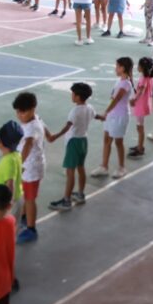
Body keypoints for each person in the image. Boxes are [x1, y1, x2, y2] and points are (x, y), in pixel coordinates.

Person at [45, 82, 102, 211]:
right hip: (83, 141)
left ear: (78, 96)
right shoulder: (89, 108)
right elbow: (96, 116)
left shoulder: (75, 111)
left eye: (73, 94)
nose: (71, 95)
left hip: (73, 142)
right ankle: (80, 194)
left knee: (70, 171)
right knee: (81, 167)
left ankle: (66, 201)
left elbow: (68, 126)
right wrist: (103, 117)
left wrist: (55, 136)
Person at [91, 57, 134, 179]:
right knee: (107, 140)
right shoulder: (119, 80)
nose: (115, 69)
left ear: (123, 68)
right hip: (112, 115)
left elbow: (116, 100)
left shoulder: (126, 83)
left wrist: (105, 112)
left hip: (120, 116)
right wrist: (108, 113)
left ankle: (122, 168)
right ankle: (104, 167)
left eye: (117, 66)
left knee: (118, 142)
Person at [12, 92, 46, 243]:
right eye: (18, 112)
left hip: (32, 168)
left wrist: (18, 164)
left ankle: (31, 229)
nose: (20, 115)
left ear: (33, 109)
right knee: (25, 195)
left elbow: (28, 144)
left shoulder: (33, 128)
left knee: (30, 199)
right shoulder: (34, 120)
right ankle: (25, 218)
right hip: (28, 167)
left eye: (23, 112)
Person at [0, 121, 24, 236]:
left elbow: (10, 184)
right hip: (18, 198)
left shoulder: (7, 161)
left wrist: (7, 204)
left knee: (5, 232)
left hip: (9, 202)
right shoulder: (17, 155)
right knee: (12, 230)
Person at [128, 57, 153, 159]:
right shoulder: (149, 77)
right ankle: (139, 145)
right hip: (144, 103)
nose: (137, 67)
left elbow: (141, 91)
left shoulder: (144, 78)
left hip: (141, 105)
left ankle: (140, 148)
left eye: (139, 65)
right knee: (139, 127)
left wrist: (134, 99)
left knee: (140, 127)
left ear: (142, 67)